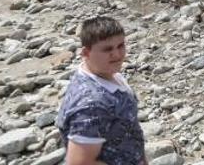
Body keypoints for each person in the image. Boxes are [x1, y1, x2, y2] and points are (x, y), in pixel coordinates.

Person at [55, 16, 146, 165]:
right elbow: (80, 163)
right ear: (86, 53)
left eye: (120, 46)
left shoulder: (106, 74)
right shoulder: (91, 105)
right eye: (107, 49)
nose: (117, 55)